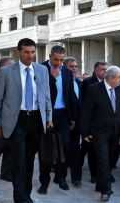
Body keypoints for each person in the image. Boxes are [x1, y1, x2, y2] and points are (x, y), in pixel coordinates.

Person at [0, 38, 53, 203]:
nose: (30, 55)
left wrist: (49, 117)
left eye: (33, 52)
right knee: (19, 161)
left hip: (36, 121)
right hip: (16, 121)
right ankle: (22, 200)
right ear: (18, 52)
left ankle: (26, 195)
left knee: (30, 161)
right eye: (26, 52)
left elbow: (46, 97)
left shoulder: (41, 70)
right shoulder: (6, 72)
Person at [80, 66, 120, 202]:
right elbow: (86, 112)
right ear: (111, 78)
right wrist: (84, 132)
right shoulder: (94, 90)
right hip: (99, 133)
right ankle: (106, 190)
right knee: (103, 160)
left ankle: (100, 184)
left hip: (115, 132)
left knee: (110, 160)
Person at [38, 46, 76, 194]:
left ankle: (61, 178)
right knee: (46, 152)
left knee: (64, 148)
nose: (59, 63)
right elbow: (40, 92)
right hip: (46, 115)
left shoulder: (67, 72)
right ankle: (44, 182)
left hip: (63, 116)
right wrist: (52, 78)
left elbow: (70, 95)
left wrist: (72, 117)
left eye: (62, 60)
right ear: (49, 56)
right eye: (56, 59)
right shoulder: (40, 69)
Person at [81, 61, 108, 184]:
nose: (105, 72)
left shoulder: (109, 83)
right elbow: (84, 103)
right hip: (92, 123)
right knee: (91, 150)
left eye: (106, 69)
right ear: (96, 70)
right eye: (102, 69)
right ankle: (94, 174)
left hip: (106, 123)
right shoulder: (87, 83)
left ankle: (104, 173)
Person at [64, 57, 83, 187]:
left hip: (78, 122)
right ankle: (61, 177)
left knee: (75, 150)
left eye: (75, 66)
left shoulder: (79, 82)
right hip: (64, 122)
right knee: (64, 150)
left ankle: (76, 178)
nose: (74, 69)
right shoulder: (61, 82)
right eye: (71, 66)